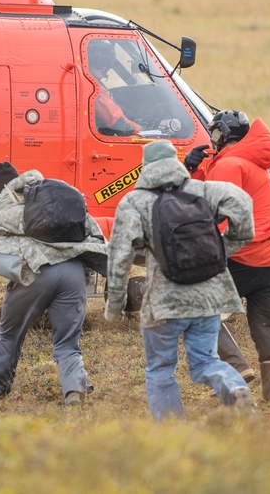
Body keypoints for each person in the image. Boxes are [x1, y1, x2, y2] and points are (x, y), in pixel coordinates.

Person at [105, 139, 256, 421]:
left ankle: (173, 430)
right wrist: (227, 247)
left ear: (145, 167)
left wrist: (115, 304)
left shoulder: (134, 202)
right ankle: (234, 387)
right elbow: (242, 203)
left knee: (160, 369)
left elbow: (119, 256)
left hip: (164, 299)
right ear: (176, 162)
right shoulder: (203, 191)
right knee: (206, 361)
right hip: (209, 294)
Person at [0, 162, 108, 405]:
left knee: (10, 334)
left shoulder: (1, 205)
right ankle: (74, 390)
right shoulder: (51, 195)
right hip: (72, 271)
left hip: (35, 271)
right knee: (67, 342)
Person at [186, 110, 270, 401]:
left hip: (241, 256)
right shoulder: (252, 161)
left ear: (222, 134)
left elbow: (212, 212)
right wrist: (195, 170)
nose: (212, 140)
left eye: (215, 134)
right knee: (264, 325)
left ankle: (235, 368)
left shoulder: (229, 164)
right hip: (268, 260)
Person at [87, 40, 141, 136]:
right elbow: (117, 123)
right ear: (89, 61)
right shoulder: (94, 88)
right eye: (99, 62)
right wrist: (140, 128)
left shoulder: (90, 82)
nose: (103, 67)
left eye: (107, 63)